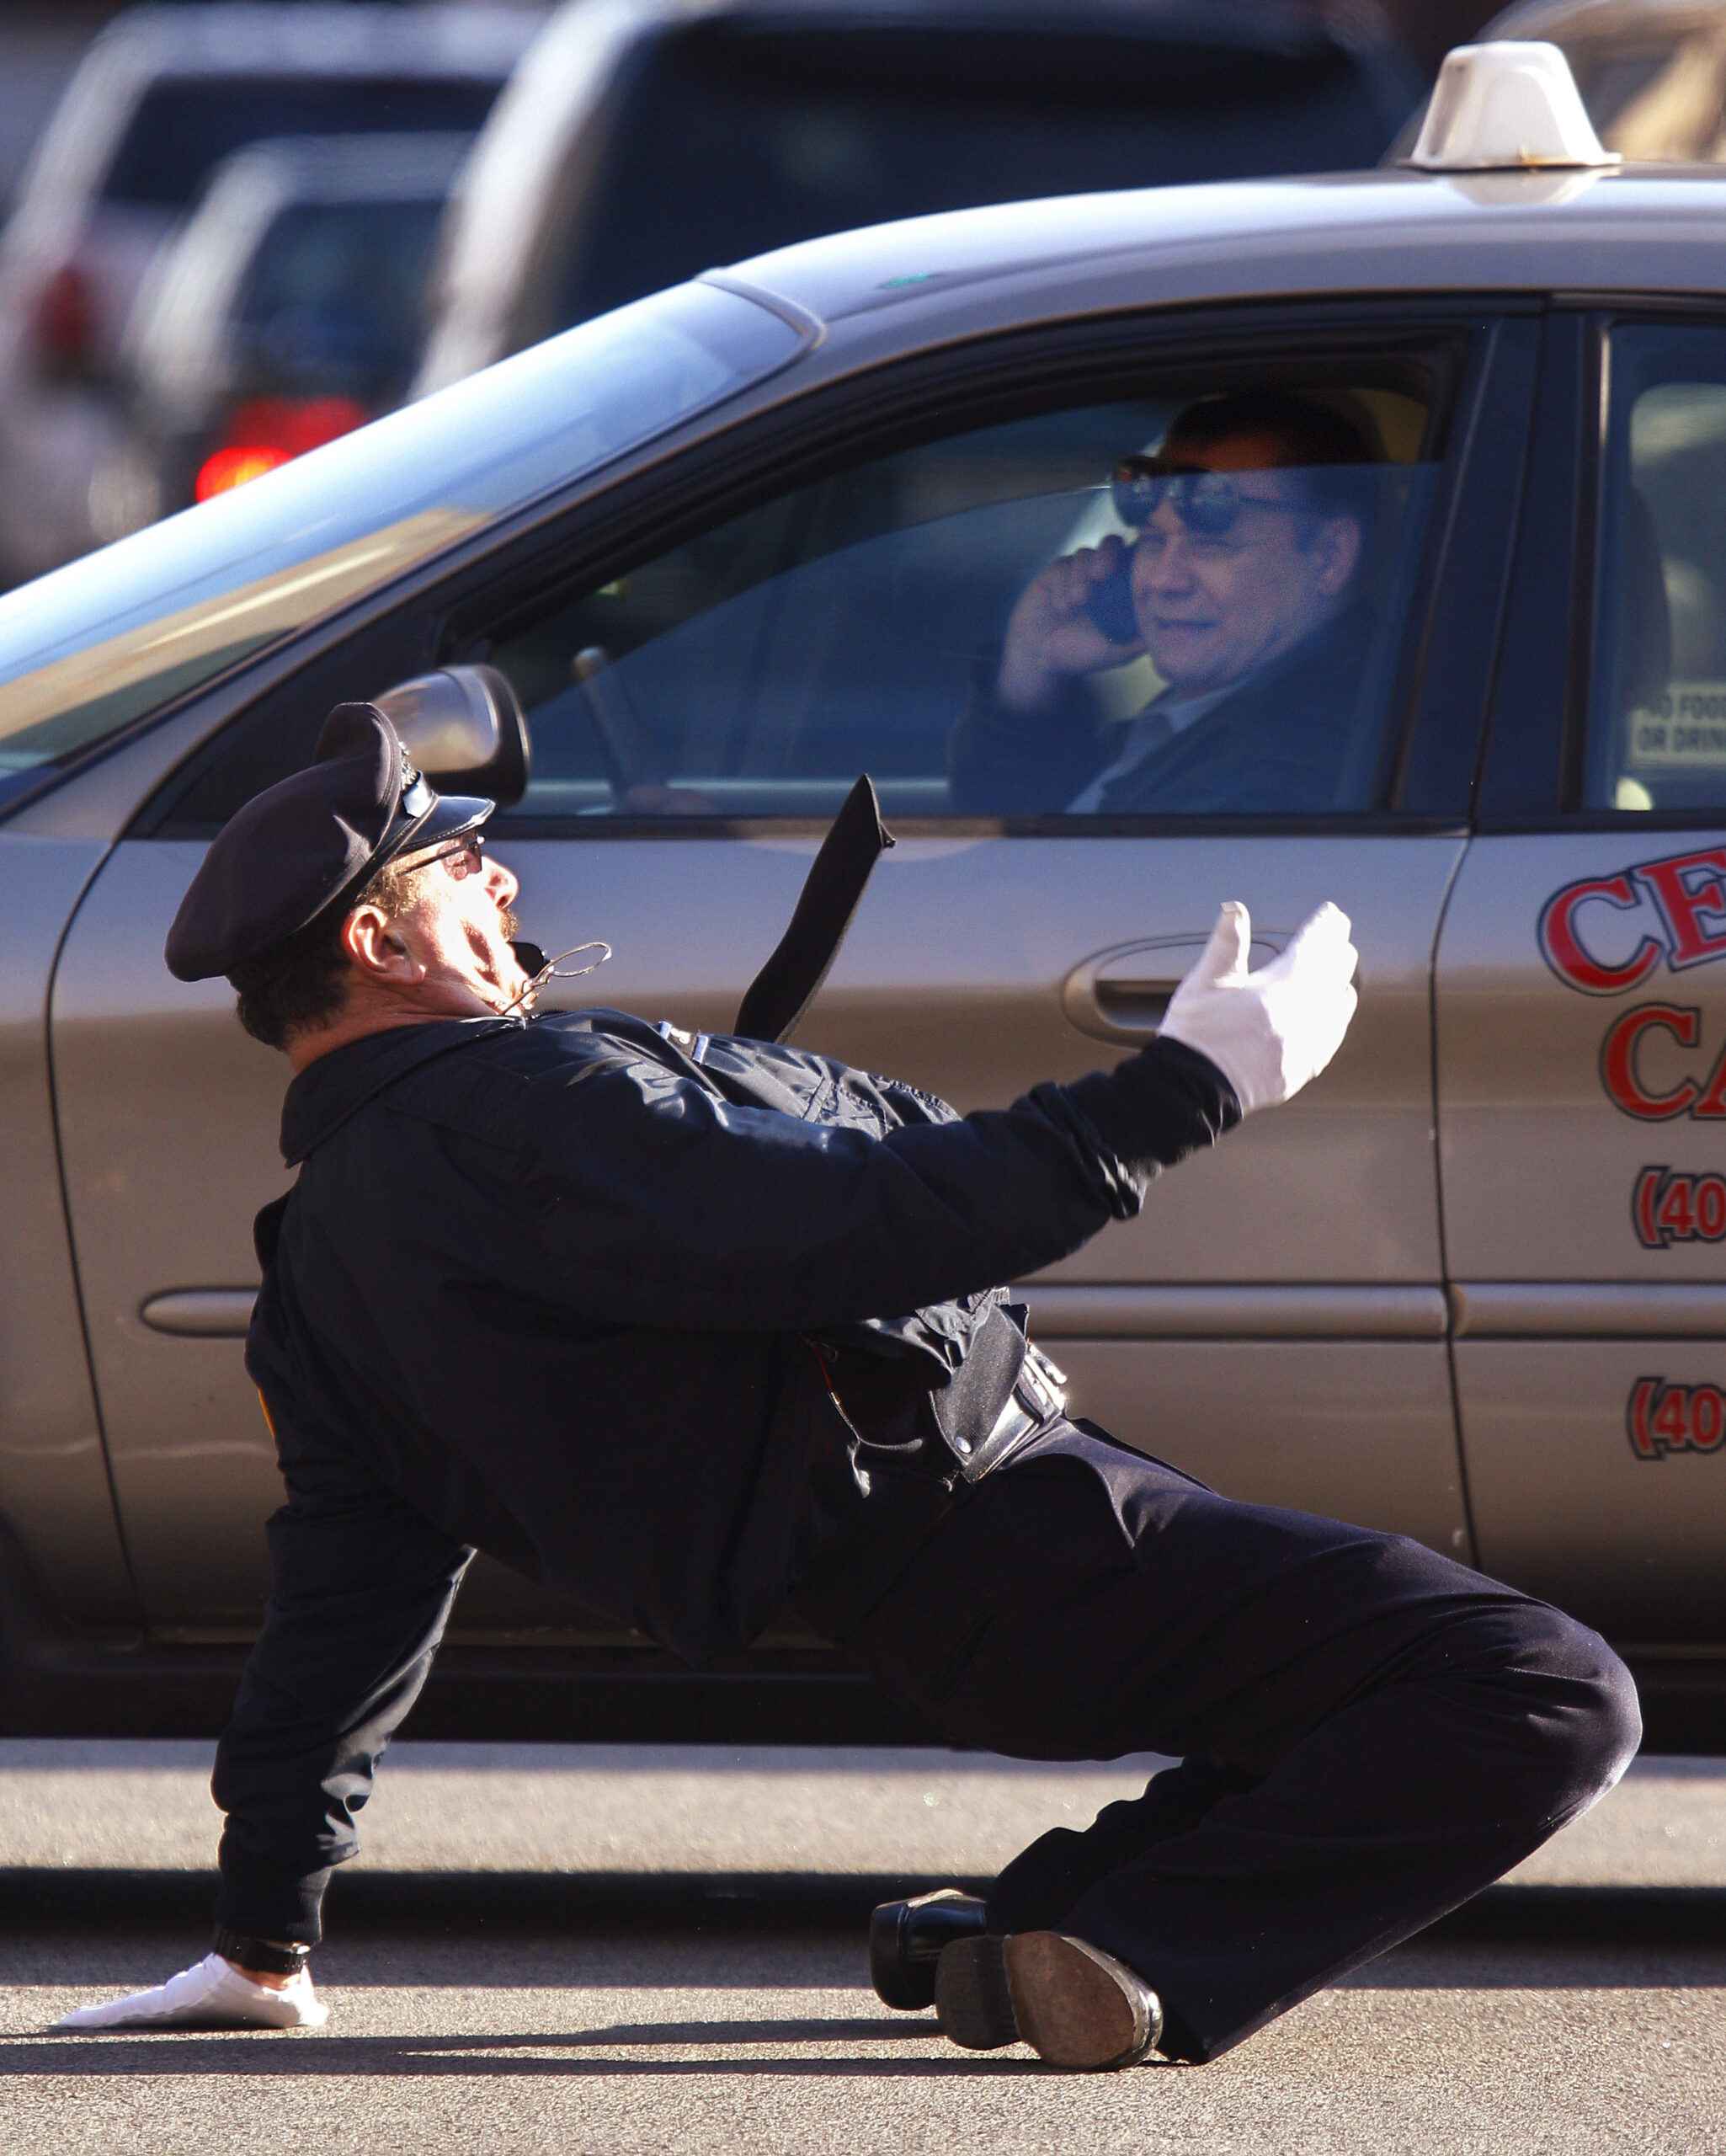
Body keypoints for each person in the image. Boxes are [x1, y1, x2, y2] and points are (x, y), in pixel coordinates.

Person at [56, 706, 1638, 2068]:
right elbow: (858, 1231)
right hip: (1020, 1533)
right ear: (379, 942)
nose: (507, 877)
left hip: (942, 1594)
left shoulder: (317, 1263)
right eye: (464, 866)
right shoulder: (520, 1108)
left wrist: (263, 1934)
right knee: (1541, 1691)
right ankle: (1136, 1955)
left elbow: (349, 1605)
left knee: (1345, 1696)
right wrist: (1197, 1081)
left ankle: (1021, 1926)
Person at [948, 391, 1377, 817]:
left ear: (1328, 556)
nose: (1162, 581)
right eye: (1153, 541)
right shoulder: (1214, 714)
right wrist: (1032, 667)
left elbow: (1024, 872)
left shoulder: (1282, 773)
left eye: (1211, 544)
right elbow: (1007, 826)